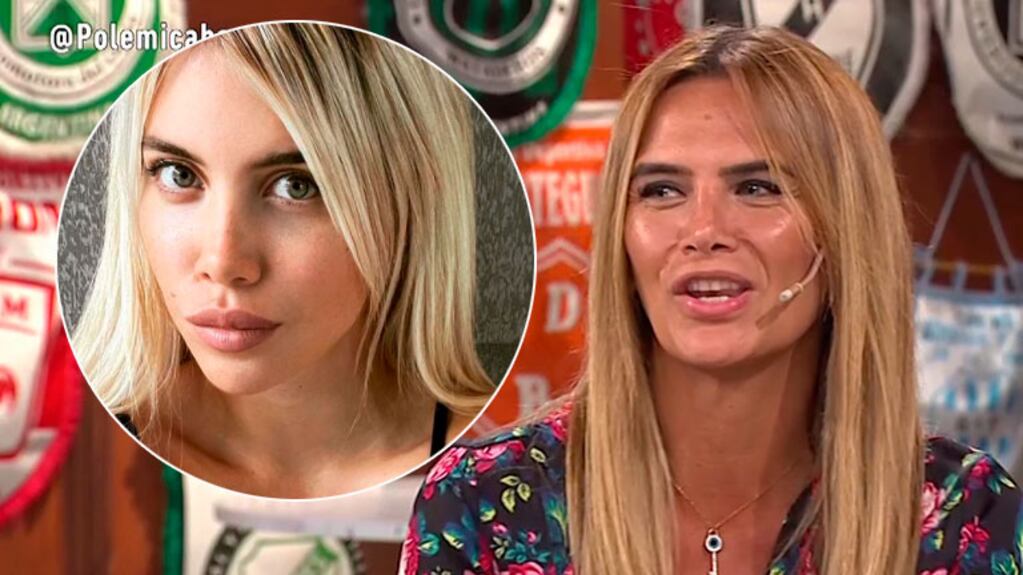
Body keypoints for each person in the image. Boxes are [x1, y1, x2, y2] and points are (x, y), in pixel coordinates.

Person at [401, 25, 1022, 574]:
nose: (703, 231)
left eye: (757, 187)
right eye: (662, 191)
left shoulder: (963, 514)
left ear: (845, 232)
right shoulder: (485, 503)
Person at [71, 23, 494, 498]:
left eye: (297, 185)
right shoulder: (86, 464)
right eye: (178, 174)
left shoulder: (502, 457)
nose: (223, 262)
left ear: (411, 201)